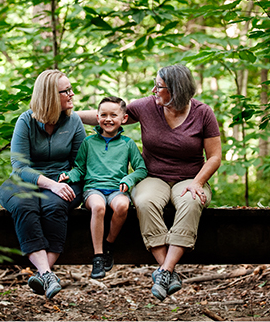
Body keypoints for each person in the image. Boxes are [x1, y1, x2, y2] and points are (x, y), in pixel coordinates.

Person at [80, 64, 222, 300]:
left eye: (159, 87)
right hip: (153, 176)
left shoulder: (203, 113)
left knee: (191, 202)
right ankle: (168, 271)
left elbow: (215, 156)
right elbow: (110, 115)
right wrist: (67, 114)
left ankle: (164, 271)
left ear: (175, 90)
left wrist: (198, 183)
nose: (154, 90)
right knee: (144, 201)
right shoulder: (146, 106)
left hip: (190, 177)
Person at [0, 70, 88, 299]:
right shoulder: (26, 121)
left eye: (70, 88)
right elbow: (19, 165)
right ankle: (48, 274)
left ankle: (43, 275)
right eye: (66, 90)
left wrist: (65, 180)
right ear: (49, 96)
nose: (72, 93)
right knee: (24, 205)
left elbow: (80, 163)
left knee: (53, 206)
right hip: (25, 180)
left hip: (63, 180)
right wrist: (49, 184)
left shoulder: (73, 120)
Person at [60, 96, 144, 279]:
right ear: (97, 118)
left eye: (113, 115)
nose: (108, 119)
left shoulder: (128, 144)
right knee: (98, 207)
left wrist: (129, 180)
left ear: (124, 118)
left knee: (122, 206)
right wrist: (69, 176)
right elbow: (80, 169)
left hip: (117, 189)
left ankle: (109, 244)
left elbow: (141, 169)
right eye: (103, 115)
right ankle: (98, 256)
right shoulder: (89, 142)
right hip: (93, 189)